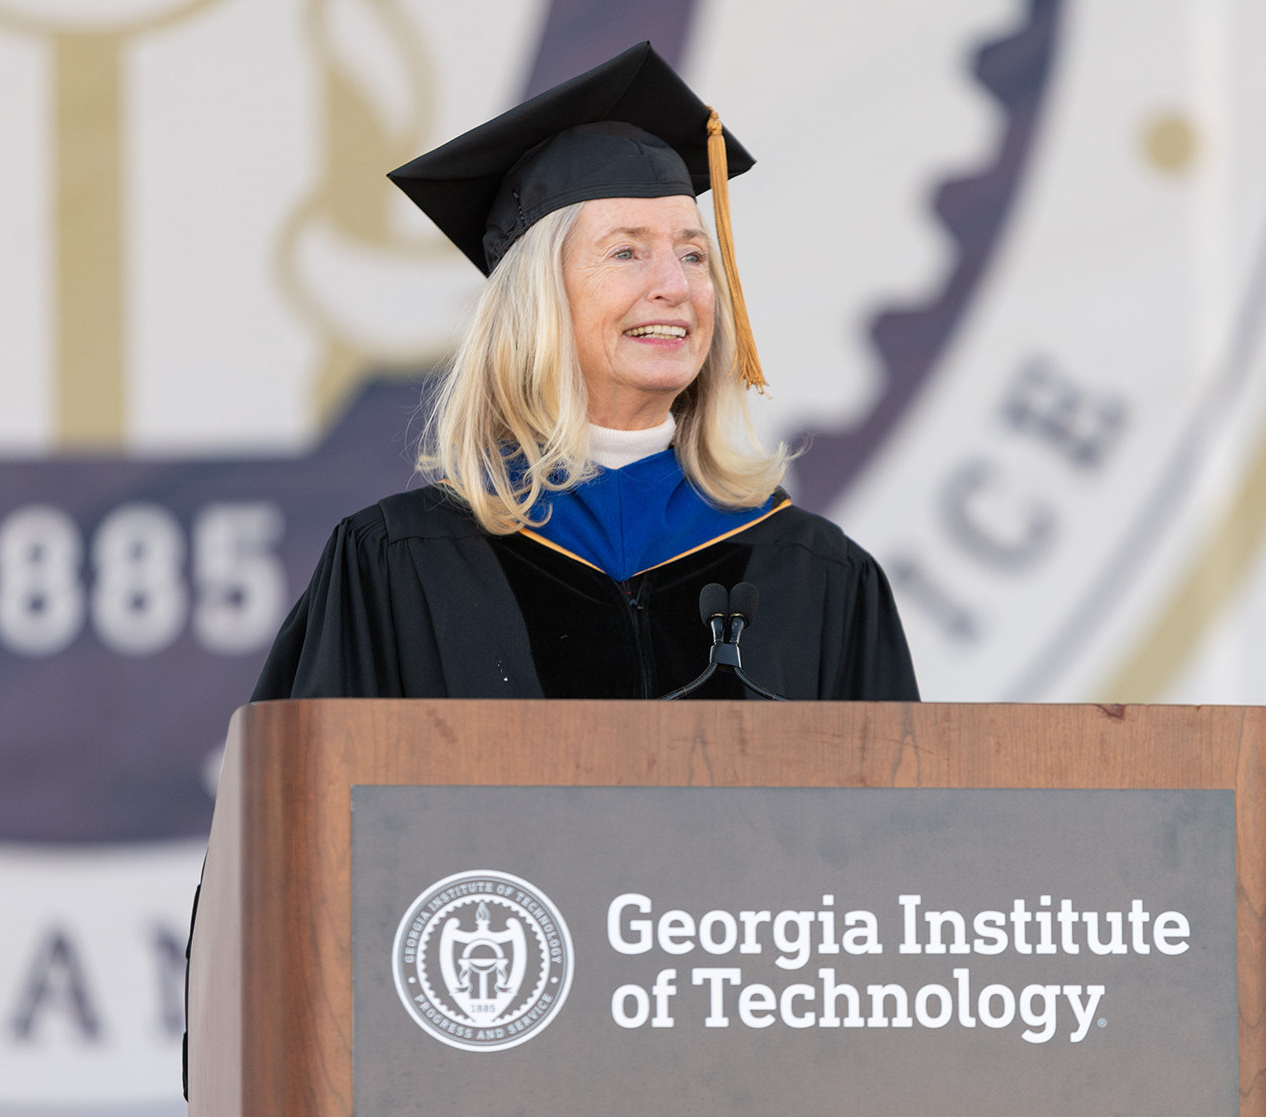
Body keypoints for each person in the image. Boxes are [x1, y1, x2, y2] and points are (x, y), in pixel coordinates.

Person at [252, 43, 917, 702]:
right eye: (627, 251)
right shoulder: (398, 567)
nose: (674, 285)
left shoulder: (816, 576)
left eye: (692, 255)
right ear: (539, 300)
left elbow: (896, 805)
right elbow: (314, 796)